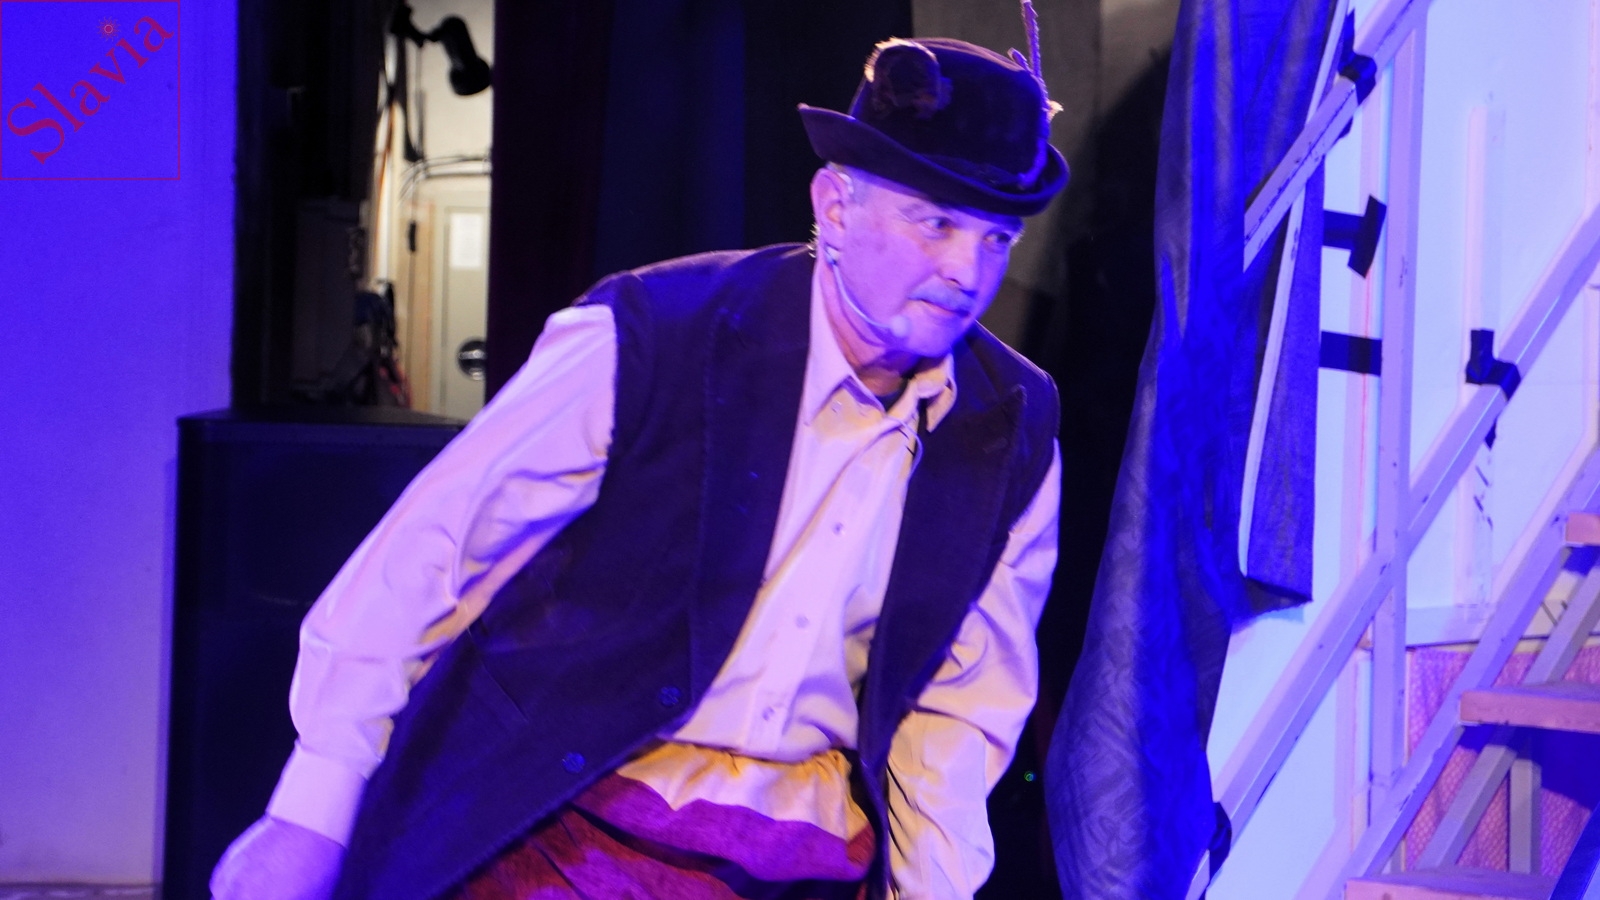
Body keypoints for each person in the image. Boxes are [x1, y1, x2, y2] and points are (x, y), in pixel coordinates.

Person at [211, 22, 1068, 900]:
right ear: (835, 206)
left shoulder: (1008, 430)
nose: (968, 272)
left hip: (794, 853)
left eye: (996, 239)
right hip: (558, 810)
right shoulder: (653, 335)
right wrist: (309, 816)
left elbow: (961, 708)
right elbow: (432, 556)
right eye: (936, 223)